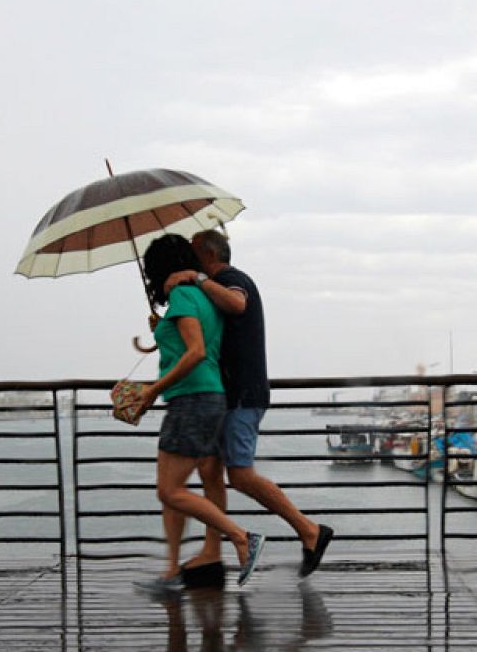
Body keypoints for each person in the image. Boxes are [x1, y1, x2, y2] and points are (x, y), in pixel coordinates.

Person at [165, 229, 334, 580]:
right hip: (229, 396)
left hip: (243, 394)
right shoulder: (211, 288)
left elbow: (237, 303)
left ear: (207, 255)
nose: (189, 263)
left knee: (240, 475)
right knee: (210, 470)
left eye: (194, 256)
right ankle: (212, 554)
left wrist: (196, 279)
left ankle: (309, 530)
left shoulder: (231, 278)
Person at [126, 233, 265, 592]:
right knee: (177, 486)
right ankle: (172, 570)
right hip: (202, 398)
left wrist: (151, 391)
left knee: (169, 491)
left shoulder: (183, 294)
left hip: (193, 398)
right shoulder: (198, 296)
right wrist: (162, 333)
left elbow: (197, 351)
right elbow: (194, 335)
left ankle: (241, 537)